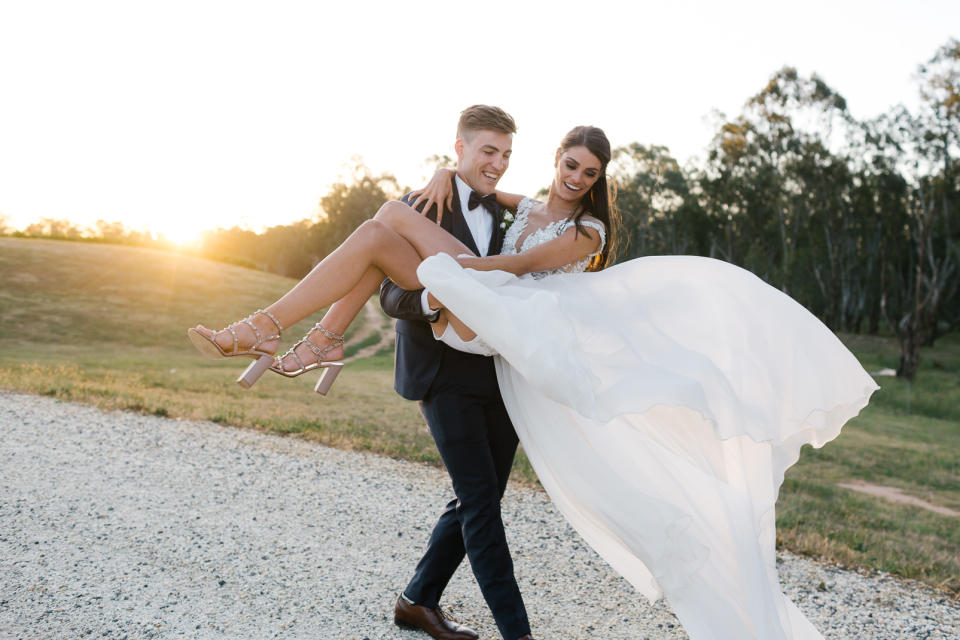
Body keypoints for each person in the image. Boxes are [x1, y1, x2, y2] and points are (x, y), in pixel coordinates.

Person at [189, 116, 877, 639]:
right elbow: (476, 185)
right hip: (493, 320)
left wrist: (454, 274)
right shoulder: (523, 206)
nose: (578, 178)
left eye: (590, 172)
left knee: (385, 228)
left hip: (511, 314)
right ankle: (314, 339)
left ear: (599, 180)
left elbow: (520, 270)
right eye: (571, 165)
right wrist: (442, 177)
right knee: (382, 236)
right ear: (557, 161)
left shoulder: (589, 232)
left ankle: (288, 332)